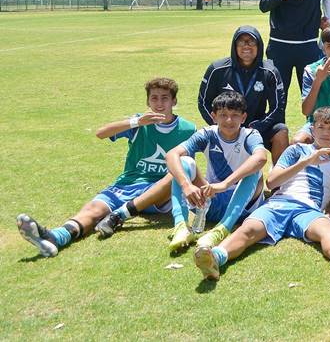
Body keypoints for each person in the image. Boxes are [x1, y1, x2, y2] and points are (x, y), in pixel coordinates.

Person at [191, 107, 330, 281]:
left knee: (328, 229)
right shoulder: (296, 151)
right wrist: (307, 162)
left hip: (308, 210)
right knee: (248, 229)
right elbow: (272, 181)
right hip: (280, 203)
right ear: (312, 130)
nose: (326, 132)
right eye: (321, 127)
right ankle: (215, 257)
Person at [17, 78, 196, 257]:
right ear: (147, 101)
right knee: (93, 210)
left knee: (177, 172)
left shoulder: (187, 129)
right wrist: (136, 122)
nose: (159, 103)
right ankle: (56, 237)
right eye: (154, 98)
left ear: (174, 101)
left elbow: (186, 169)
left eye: (164, 98)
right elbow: (101, 133)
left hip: (159, 193)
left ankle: (119, 215)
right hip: (128, 184)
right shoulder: (139, 123)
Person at [165, 92, 268, 252]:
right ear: (213, 116)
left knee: (255, 170)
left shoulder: (250, 135)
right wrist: (186, 185)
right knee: (185, 162)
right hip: (211, 202)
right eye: (223, 115)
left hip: (243, 207)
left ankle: (222, 230)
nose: (229, 120)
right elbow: (171, 155)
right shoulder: (206, 134)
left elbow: (261, 158)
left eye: (235, 115)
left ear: (243, 117)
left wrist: (225, 184)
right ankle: (181, 226)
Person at [197, 26, 289, 162]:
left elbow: (278, 107)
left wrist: (258, 126)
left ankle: (278, 181)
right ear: (234, 46)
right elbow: (203, 102)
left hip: (257, 126)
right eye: (241, 42)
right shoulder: (217, 69)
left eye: (251, 42)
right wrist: (220, 123)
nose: (246, 46)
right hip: (226, 125)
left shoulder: (269, 72)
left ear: (259, 45)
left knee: (281, 131)